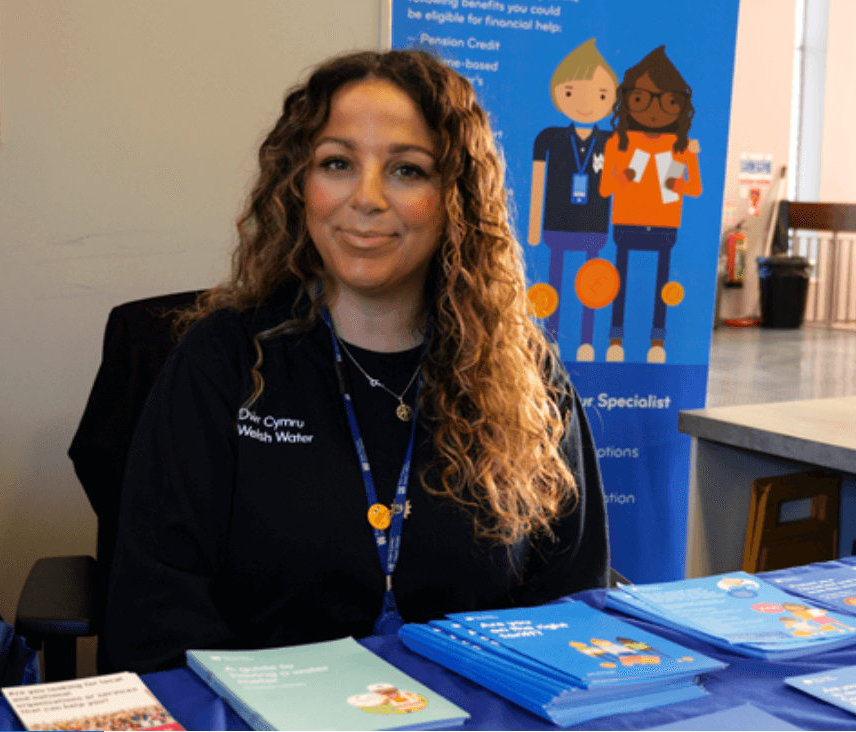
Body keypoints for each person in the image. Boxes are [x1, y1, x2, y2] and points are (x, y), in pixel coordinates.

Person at [104, 49, 610, 674]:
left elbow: (567, 601)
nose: (366, 198)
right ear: (299, 186)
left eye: (407, 170)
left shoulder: (526, 373)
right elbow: (158, 613)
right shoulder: (223, 361)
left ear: (456, 197)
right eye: (337, 163)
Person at [599, 45, 702, 363]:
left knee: (660, 285)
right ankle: (616, 339)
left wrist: (677, 184)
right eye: (642, 99)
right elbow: (605, 189)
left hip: (664, 223)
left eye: (669, 101)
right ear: (628, 101)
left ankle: (657, 343)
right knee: (621, 282)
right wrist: (625, 178)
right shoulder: (619, 142)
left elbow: (694, 189)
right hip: (627, 220)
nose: (655, 110)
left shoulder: (681, 145)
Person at [526, 38, 618, 361]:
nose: (585, 103)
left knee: (594, 287)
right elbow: (539, 182)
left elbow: (621, 186)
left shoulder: (612, 142)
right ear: (558, 95)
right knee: (555, 283)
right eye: (571, 93)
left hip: (594, 225)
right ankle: (549, 342)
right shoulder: (548, 137)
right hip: (556, 223)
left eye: (601, 95)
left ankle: (587, 341)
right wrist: (535, 227)